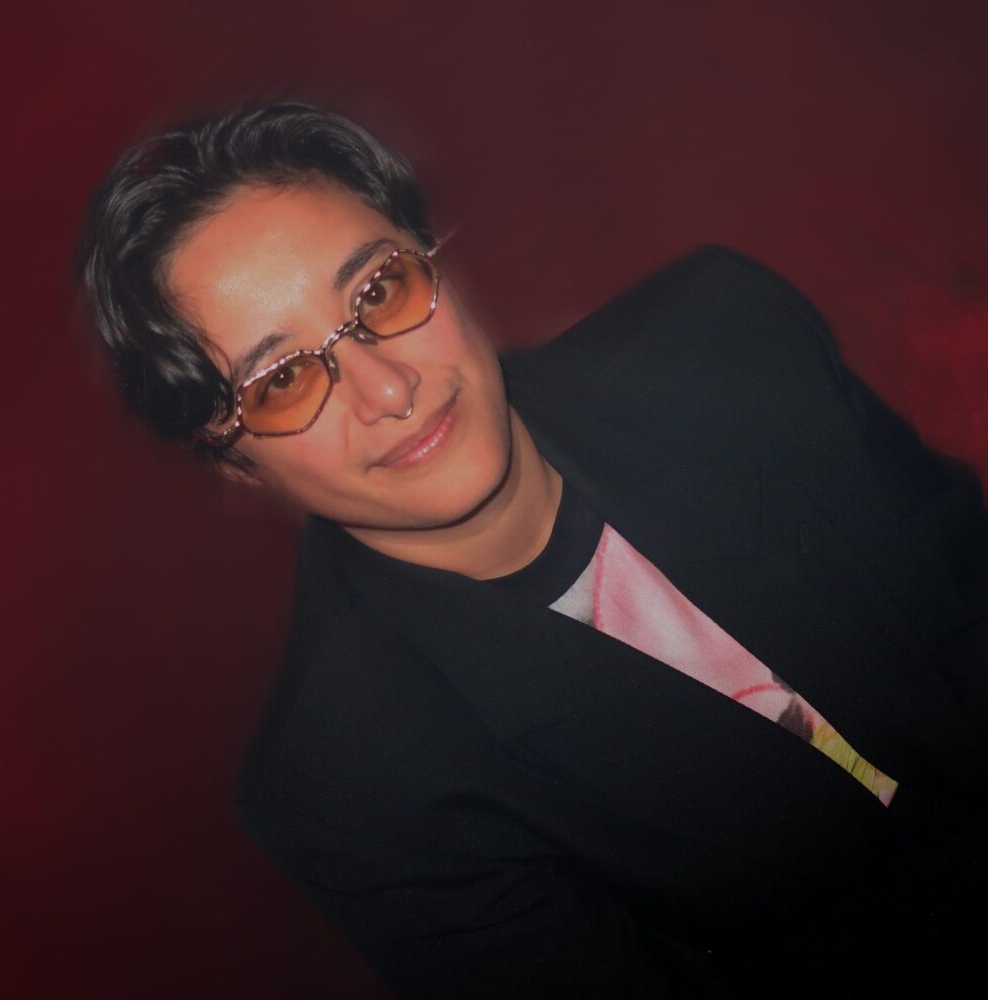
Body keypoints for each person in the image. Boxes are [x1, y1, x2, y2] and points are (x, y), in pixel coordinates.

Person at [78, 102, 988, 998]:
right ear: (235, 461)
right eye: (280, 381)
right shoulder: (353, 791)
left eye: (379, 292)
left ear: (433, 257)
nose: (390, 389)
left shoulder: (724, 339)